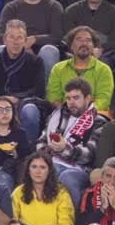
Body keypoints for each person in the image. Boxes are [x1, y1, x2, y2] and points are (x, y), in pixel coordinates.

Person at [38, 79, 106, 211]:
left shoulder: (99, 122)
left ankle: (73, 223)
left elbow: (89, 155)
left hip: (79, 169)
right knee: (39, 168)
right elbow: (40, 141)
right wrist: (47, 151)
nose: (71, 102)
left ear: (88, 98)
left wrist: (64, 149)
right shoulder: (56, 117)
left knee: (64, 175)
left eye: (76, 98)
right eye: (68, 98)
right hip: (52, 162)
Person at [0, 0, 63, 77]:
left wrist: (34, 39)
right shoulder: (11, 8)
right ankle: (3, 92)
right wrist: (22, 46)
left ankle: (45, 92)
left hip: (42, 51)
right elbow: (0, 36)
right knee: (0, 49)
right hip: (15, 49)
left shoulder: (54, 7)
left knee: (49, 50)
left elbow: (57, 36)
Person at [11, 153, 75, 225]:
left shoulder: (61, 193)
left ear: (49, 171)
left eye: (42, 167)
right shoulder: (18, 193)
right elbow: (13, 220)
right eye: (34, 167)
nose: (38, 171)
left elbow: (66, 224)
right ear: (28, 170)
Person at [47, 28, 113, 115]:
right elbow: (53, 97)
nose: (84, 43)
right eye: (79, 40)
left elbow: (103, 100)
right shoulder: (58, 68)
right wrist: (68, 112)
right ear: (71, 45)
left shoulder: (104, 69)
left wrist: (83, 113)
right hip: (65, 114)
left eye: (88, 40)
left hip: (95, 116)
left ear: (93, 46)